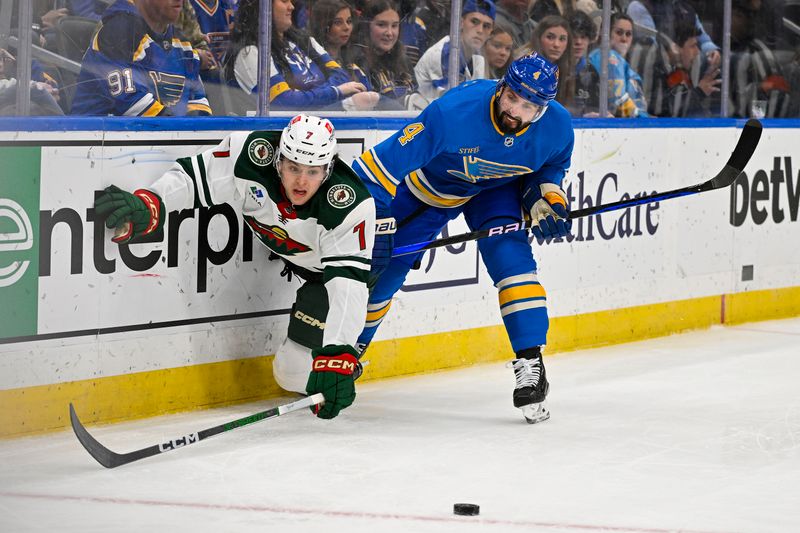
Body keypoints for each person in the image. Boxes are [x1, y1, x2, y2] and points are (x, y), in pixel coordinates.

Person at [93, 114, 376, 420]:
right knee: (290, 374)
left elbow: (347, 286)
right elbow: (194, 179)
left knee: (295, 371)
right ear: (279, 160)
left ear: (328, 169)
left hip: (339, 272)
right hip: (304, 261)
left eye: (313, 171)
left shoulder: (348, 205)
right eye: (293, 167)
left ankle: (355, 355)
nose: (301, 181)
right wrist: (152, 203)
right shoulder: (250, 155)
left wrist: (338, 356)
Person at [351, 53, 574, 424]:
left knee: (512, 261)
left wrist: (547, 199)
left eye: (528, 107)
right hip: (435, 187)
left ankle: (532, 362)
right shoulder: (453, 112)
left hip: (498, 191)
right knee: (385, 271)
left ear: (543, 110)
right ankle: (350, 352)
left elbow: (550, 169)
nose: (515, 112)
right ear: (501, 87)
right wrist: (381, 220)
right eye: (512, 99)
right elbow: (375, 167)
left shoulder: (558, 128)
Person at [225, 0, 379, 111]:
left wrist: (310, 96)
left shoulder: (304, 41)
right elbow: (285, 103)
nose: (291, 6)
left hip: (320, 117)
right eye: (284, 1)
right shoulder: (251, 53)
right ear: (261, 7)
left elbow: (341, 75)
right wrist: (336, 92)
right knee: (367, 100)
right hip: (286, 133)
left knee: (378, 101)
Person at [71, 0, 212, 116]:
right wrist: (185, 128)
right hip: (98, 143)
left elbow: (197, 101)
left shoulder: (181, 42)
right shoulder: (118, 31)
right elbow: (132, 105)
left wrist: (199, 126)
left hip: (161, 142)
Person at [414, 0, 496, 102]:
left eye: (486, 26)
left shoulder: (478, 60)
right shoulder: (445, 53)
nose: (480, 30)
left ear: (491, 32)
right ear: (461, 22)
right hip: (417, 114)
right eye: (474, 22)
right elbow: (448, 103)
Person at [351, 0, 419, 110]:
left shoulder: (404, 60)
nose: (389, 33)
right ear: (367, 26)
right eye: (381, 25)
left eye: (394, 26)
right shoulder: (356, 61)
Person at [588, 12, 649, 117]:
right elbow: (619, 103)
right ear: (605, 32)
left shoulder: (624, 64)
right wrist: (644, 118)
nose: (624, 39)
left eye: (628, 34)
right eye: (619, 32)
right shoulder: (606, 58)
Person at [517, 15, 574, 108]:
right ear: (538, 38)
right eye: (550, 37)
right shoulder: (524, 63)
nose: (556, 44)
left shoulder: (563, 66)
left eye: (562, 39)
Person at [567, 9, 603, 117]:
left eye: (583, 37)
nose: (579, 42)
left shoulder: (592, 72)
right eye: (574, 37)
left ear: (589, 39)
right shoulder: (552, 69)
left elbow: (596, 107)